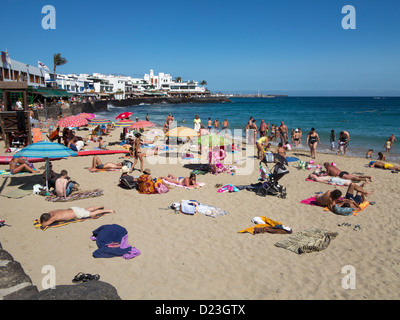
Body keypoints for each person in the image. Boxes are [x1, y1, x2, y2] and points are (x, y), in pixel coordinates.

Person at [39, 206, 115, 227]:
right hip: (72, 209)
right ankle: (99, 206)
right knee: (86, 210)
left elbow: (44, 224)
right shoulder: (51, 212)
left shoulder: (54, 217)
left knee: (92, 214)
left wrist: (42, 222)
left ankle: (108, 210)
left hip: (76, 213)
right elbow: (43, 219)